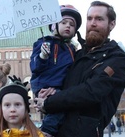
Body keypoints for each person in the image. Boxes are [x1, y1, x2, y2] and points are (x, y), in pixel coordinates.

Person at [35, 1, 125, 137]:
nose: (93, 23)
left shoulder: (117, 58)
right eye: (89, 18)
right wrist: (46, 92)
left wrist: (50, 102)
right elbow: (60, 81)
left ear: (112, 24)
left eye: (99, 19)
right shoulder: (77, 54)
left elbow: (91, 91)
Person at [29, 4, 82, 137]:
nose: (68, 26)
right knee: (60, 107)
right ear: (54, 26)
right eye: (64, 22)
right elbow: (34, 67)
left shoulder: (72, 49)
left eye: (72, 24)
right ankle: (46, 131)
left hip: (61, 87)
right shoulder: (44, 43)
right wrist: (42, 56)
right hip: (45, 85)